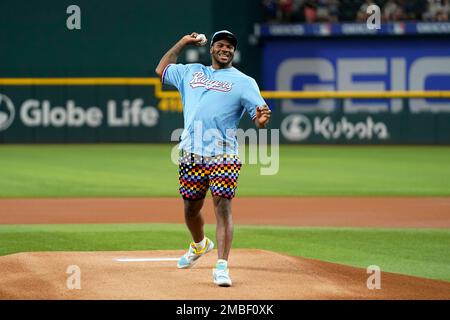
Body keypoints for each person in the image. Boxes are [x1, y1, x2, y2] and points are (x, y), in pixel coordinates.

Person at [155, 30, 271, 287]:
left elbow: (259, 117)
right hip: (192, 152)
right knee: (191, 208)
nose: (225, 49)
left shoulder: (244, 82)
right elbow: (161, 69)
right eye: (220, 44)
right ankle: (199, 244)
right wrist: (184, 42)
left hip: (224, 153)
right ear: (212, 49)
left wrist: (261, 121)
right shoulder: (191, 72)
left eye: (230, 46)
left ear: (233, 51)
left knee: (222, 206)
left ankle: (222, 266)